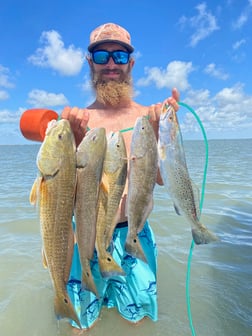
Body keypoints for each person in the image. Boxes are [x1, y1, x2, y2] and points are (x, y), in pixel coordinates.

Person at [62, 22, 179, 330]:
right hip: (85, 234)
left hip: (133, 233)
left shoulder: (146, 118)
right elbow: (64, 191)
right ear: (90, 63)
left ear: (131, 62)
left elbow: (161, 181)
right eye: (101, 56)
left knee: (137, 319)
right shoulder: (78, 120)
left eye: (119, 55)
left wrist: (162, 134)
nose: (111, 64)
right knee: (81, 322)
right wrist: (71, 141)